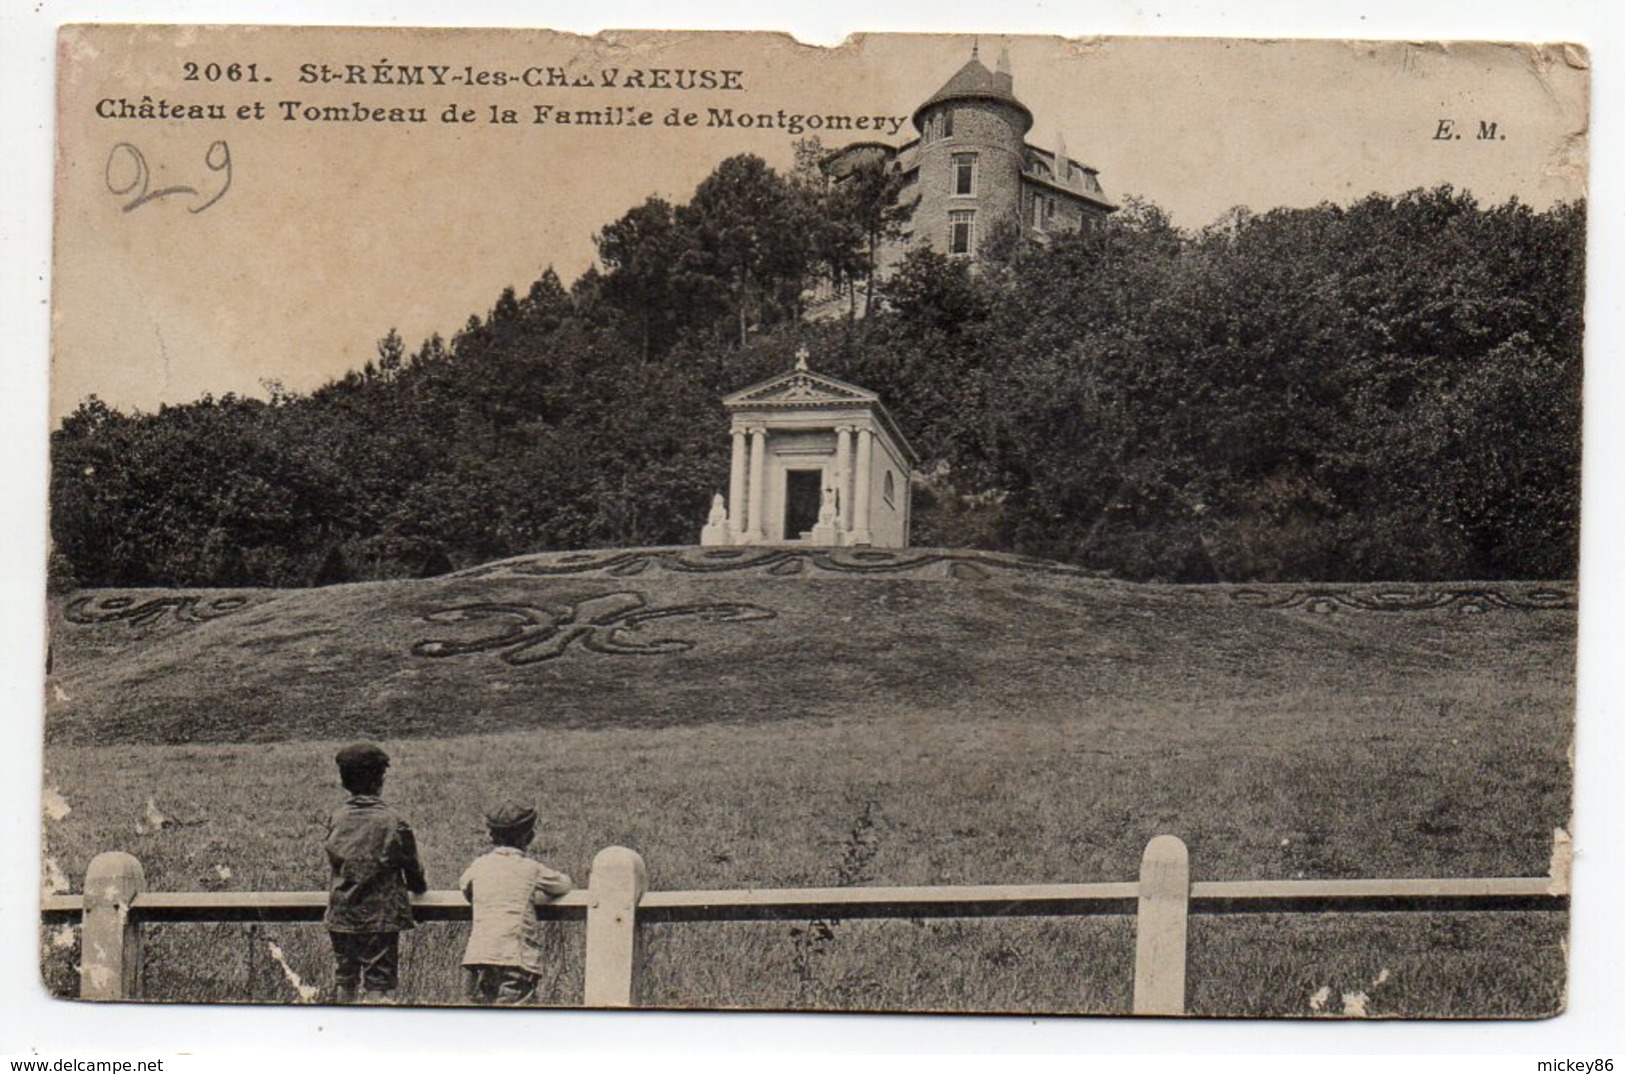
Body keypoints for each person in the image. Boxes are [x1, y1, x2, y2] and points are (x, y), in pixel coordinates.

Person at [323, 741, 428, 1004]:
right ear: (380, 779)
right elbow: (412, 868)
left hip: (342, 914)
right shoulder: (394, 821)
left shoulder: (338, 817)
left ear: (344, 781)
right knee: (379, 984)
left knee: (345, 978)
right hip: (380, 918)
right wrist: (418, 885)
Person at [459, 799, 574, 1005]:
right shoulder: (531, 868)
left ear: (490, 835)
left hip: (479, 956)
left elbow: (465, 886)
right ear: (529, 837)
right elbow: (563, 885)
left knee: (476, 1022)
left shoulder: (479, 866)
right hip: (515, 958)